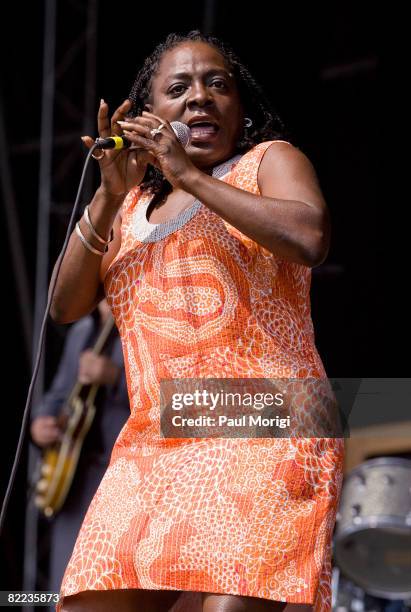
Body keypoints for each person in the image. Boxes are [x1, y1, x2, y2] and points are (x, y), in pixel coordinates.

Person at [50, 29, 344, 612]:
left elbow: (310, 238)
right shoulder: (128, 205)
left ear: (240, 106)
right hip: (157, 436)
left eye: (218, 85)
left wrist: (187, 175)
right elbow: (64, 308)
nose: (199, 98)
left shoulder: (268, 161)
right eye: (178, 88)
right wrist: (108, 198)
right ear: (150, 113)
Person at [30, 299, 130, 602]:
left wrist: (115, 377)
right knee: (63, 584)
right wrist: (39, 427)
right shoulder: (81, 330)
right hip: (74, 474)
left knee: (108, 581)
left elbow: (170, 402)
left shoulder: (141, 329)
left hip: (120, 474)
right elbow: (58, 394)